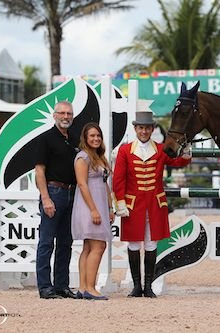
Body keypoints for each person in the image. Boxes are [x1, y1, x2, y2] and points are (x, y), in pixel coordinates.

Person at [113, 111, 191, 298]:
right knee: (133, 244)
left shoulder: (161, 149)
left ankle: (148, 286)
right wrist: (120, 203)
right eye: (141, 128)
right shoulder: (125, 150)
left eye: (147, 128)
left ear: (152, 129)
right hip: (133, 205)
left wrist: (187, 152)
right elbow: (118, 180)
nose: (144, 131)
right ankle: (136, 286)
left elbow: (177, 161)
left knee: (151, 243)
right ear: (135, 129)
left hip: (155, 205)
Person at [35, 101, 79, 299]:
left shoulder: (75, 138)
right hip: (53, 192)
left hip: (72, 194)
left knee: (65, 243)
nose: (65, 116)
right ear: (54, 115)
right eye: (62, 113)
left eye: (69, 113)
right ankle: (45, 287)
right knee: (46, 243)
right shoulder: (45, 139)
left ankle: (62, 286)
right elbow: (39, 171)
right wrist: (46, 198)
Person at [71, 123, 115, 300]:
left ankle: (83, 288)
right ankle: (90, 288)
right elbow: (82, 184)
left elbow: (105, 184)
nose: (96, 138)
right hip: (89, 206)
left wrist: (110, 207)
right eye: (92, 136)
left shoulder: (99, 157)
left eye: (98, 135)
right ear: (85, 138)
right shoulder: (83, 158)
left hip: (100, 206)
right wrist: (94, 210)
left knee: (89, 247)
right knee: (99, 246)